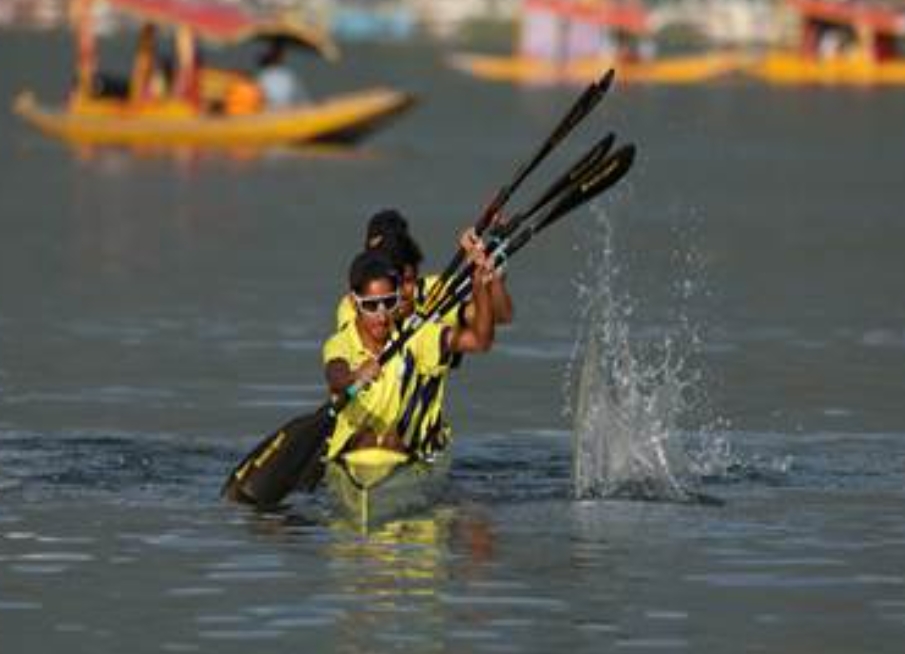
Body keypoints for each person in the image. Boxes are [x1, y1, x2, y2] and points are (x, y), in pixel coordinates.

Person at [321, 230, 498, 461]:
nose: (383, 316)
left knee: (393, 439)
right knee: (366, 436)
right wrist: (356, 376)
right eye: (372, 306)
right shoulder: (340, 343)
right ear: (354, 303)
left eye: (389, 302)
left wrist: (480, 285)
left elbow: (480, 341)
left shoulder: (415, 336)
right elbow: (336, 378)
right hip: (350, 450)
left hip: (399, 451)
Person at [256, 40, 308, 108]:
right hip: (280, 113)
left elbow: (301, 98)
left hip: (282, 113)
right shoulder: (286, 75)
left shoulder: (262, 76)